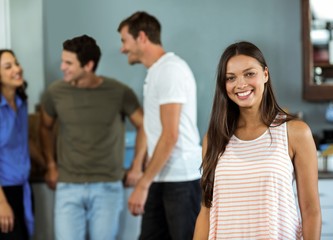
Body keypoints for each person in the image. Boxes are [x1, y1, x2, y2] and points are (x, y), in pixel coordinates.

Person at [193, 41, 322, 239]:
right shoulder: (214, 139)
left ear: (265, 75)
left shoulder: (295, 133)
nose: (241, 84)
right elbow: (206, 212)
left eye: (249, 73)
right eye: (231, 78)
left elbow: (311, 210)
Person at [40, 34, 146, 240]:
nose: (62, 67)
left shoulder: (119, 92)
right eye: (63, 61)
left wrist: (136, 166)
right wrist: (51, 165)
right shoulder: (55, 93)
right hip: (68, 186)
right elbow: (44, 128)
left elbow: (144, 125)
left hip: (107, 187)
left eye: (68, 63)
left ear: (88, 65)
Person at [117, 11, 202, 240]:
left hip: (181, 180)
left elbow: (170, 135)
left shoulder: (170, 70)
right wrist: (139, 168)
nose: (122, 48)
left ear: (141, 37)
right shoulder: (156, 72)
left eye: (124, 40)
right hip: (161, 177)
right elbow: (150, 126)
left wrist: (142, 184)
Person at [0, 49, 34, 239]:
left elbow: (22, 142)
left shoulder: (21, 102)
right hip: (3, 193)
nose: (17, 69)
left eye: (16, 63)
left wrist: (50, 164)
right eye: (8, 66)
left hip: (23, 190)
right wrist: (2, 203)